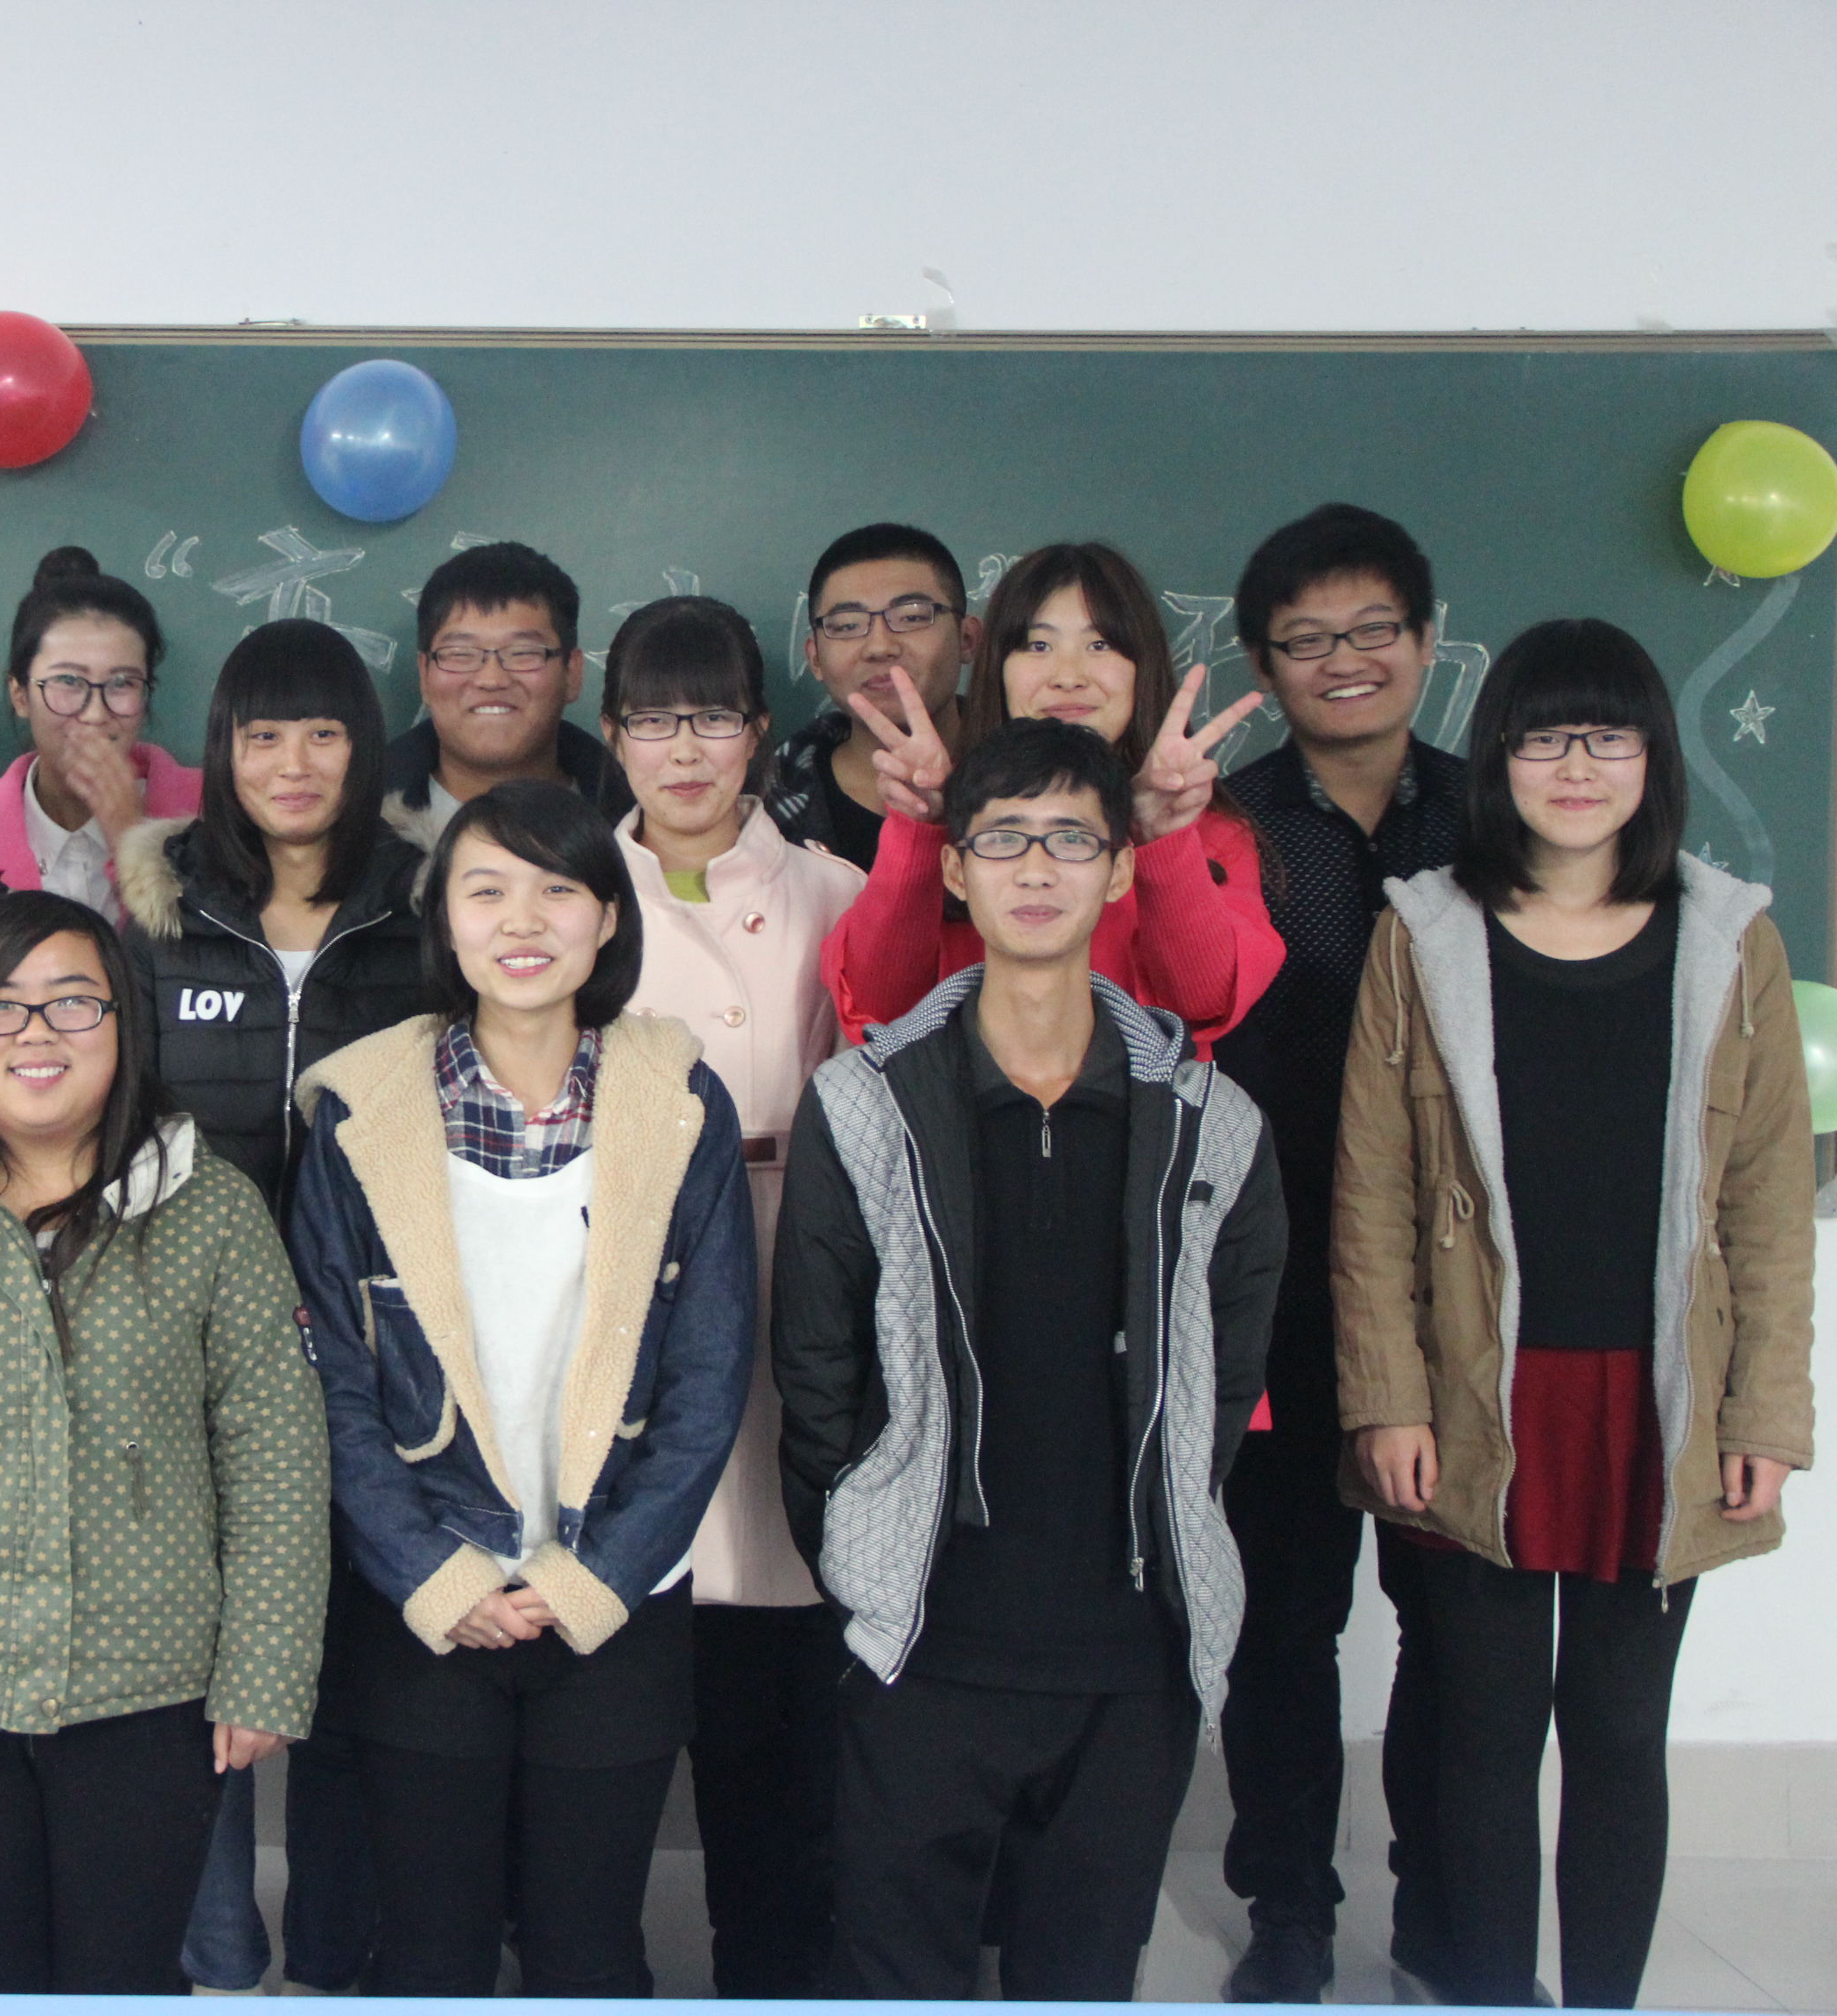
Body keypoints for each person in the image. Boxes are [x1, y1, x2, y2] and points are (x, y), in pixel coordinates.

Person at [1332, 619, 1814, 2012]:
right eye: (1545, 737)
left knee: (1616, 1733)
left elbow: (1768, 1204)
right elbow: (1372, 1193)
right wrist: (1388, 1397)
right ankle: (1491, 1996)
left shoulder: (1729, 941)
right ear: (1499, 760)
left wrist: (1765, 1416)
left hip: (1659, 1397)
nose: (1578, 765)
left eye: (1610, 735)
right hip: (1477, 1392)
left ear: (1655, 758)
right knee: (1485, 1732)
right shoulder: (1423, 935)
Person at [774, 718, 1285, 2003]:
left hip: (1131, 1647)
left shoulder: (1210, 1120)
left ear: (1121, 870)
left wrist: (1171, 1514)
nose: (1038, 867)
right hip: (925, 1634)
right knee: (897, 1971)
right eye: (1003, 839)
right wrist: (861, 1548)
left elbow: (1226, 1369)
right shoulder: (868, 1104)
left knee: (1085, 1974)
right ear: (955, 869)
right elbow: (815, 1363)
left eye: (1071, 838)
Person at [0, 892, 330, 1994]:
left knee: (122, 1983)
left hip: (154, 1699)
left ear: (125, 1025)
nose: (36, 1033)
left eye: (74, 1003)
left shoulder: (211, 1212)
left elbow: (276, 1456)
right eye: (0, 1006)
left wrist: (265, 1671)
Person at [289, 780, 756, 1998]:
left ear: (608, 918)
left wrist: (597, 1575)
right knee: (429, 1952)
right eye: (486, 889)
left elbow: (710, 1376)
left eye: (559, 888)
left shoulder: (679, 1100)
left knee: (588, 1950)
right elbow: (332, 1381)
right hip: (425, 1600)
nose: (523, 919)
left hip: (617, 1596)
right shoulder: (358, 1109)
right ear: (443, 920)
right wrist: (432, 1574)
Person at [114, 616, 423, 1993]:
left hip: (388, 1350)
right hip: (195, 1352)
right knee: (199, 1664)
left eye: (323, 733)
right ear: (222, 752)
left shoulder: (430, 905)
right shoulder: (158, 909)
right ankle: (216, 1959)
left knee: (361, 1668)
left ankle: (343, 1957)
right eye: (261, 735)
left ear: (365, 749)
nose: (292, 764)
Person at [1209, 504, 1468, 2002]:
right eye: (1306, 640)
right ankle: (1289, 1911)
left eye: (1373, 630)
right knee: (1285, 1624)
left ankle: (1444, 1911)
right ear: (1263, 666)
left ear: (1426, 642)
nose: (1344, 660)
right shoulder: (1228, 828)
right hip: (1283, 1282)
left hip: (1460, 1294)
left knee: (1455, 1623)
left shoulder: (1498, 817)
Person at [601, 596, 864, 1996]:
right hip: (627, 1279)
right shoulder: (568, 893)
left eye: (711, 716)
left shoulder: (835, 891)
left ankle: (773, 1967)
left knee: (778, 1683)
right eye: (655, 719)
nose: (685, 749)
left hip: (800, 1258)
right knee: (627, 1657)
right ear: (613, 737)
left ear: (760, 732)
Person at [824, 541, 1283, 1051]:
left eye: (1100, 645)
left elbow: (1204, 1003)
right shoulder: (954, 823)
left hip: (1144, 1102)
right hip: (959, 1100)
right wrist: (922, 831)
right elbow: (879, 1007)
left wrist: (1162, 841)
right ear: (997, 666)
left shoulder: (1210, 834)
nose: (1068, 677)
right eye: (1038, 646)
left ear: (1142, 666)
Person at [0, 546, 200, 922]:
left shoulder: (213, 811)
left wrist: (133, 839)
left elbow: (224, 952)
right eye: (68, 681)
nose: (95, 714)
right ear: (20, 695)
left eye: (122, 683)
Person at [383, 542, 634, 852]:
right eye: (460, 653)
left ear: (572, 671)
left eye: (523, 652)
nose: (491, 679)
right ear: (424, 675)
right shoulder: (356, 832)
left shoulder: (639, 829)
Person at [766, 524, 982, 871]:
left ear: (967, 640)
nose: (880, 647)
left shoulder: (1040, 778)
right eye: (847, 625)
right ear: (816, 659)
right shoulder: (765, 808)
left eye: (912, 617)